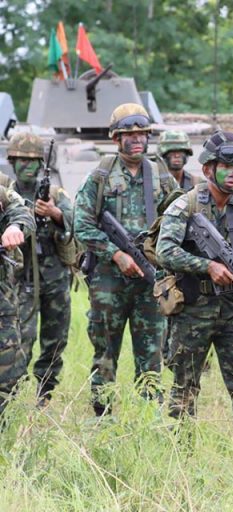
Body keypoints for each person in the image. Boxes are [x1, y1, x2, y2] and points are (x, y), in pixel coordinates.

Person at [156, 131, 233, 418]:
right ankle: (181, 442)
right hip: (193, 309)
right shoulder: (185, 206)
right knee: (184, 387)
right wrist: (207, 266)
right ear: (208, 170)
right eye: (226, 166)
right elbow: (165, 251)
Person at [74, 103, 178, 416]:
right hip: (109, 281)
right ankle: (102, 415)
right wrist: (116, 254)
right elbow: (82, 225)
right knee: (105, 353)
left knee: (151, 355)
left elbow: (179, 220)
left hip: (150, 281)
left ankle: (149, 416)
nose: (137, 139)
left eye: (142, 134)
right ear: (116, 138)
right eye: (129, 135)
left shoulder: (161, 176)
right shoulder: (101, 176)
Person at [6, 133, 74, 406]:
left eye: (33, 160)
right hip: (19, 279)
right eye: (22, 160)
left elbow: (76, 221)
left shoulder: (55, 194)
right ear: (12, 162)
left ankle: (45, 393)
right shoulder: (7, 194)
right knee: (19, 339)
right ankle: (11, 393)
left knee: (55, 339)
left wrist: (54, 213)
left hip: (54, 277)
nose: (28, 166)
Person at [0, 184, 35, 418]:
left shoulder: (2, 193)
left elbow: (23, 212)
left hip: (2, 301)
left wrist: (14, 226)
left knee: (8, 368)